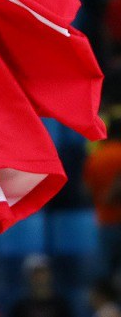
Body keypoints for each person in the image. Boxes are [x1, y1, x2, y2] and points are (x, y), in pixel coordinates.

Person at [84, 116, 121, 278]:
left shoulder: (95, 157)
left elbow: (85, 190)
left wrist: (102, 198)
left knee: (106, 273)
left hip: (104, 221)